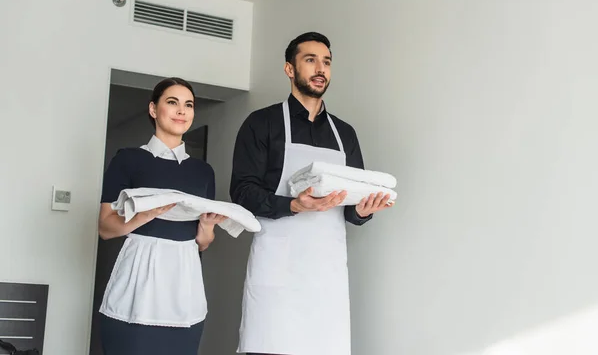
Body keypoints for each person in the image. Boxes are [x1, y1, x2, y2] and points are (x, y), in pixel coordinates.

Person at [231, 32, 393, 355]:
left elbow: (350, 208)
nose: (321, 68)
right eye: (310, 60)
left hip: (326, 279)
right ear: (290, 69)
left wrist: (364, 209)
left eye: (327, 62)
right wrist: (293, 204)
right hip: (277, 277)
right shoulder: (261, 124)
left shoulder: (344, 134)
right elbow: (242, 191)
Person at [97, 77, 227, 355]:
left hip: (184, 279)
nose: (182, 111)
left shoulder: (203, 172)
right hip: (139, 277)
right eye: (172, 102)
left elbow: (203, 243)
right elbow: (105, 227)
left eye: (188, 105)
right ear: (154, 110)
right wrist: (146, 215)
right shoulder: (128, 159)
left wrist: (206, 225)